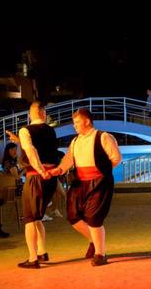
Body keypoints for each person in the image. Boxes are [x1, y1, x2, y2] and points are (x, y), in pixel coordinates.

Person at [43, 108, 121, 266]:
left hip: (99, 182)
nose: (74, 126)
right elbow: (68, 159)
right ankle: (94, 240)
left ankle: (100, 253)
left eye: (77, 122)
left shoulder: (103, 137)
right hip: (80, 182)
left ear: (87, 121)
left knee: (94, 218)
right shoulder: (75, 141)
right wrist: (58, 170)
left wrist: (101, 173)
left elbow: (116, 158)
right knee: (73, 216)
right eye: (74, 123)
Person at [6, 101, 61, 269]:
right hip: (50, 178)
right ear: (44, 114)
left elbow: (32, 151)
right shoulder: (51, 131)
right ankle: (42, 252)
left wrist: (40, 169)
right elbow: (41, 147)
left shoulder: (25, 130)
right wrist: (19, 140)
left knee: (30, 218)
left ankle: (32, 258)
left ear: (30, 115)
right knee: (37, 218)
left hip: (36, 177)